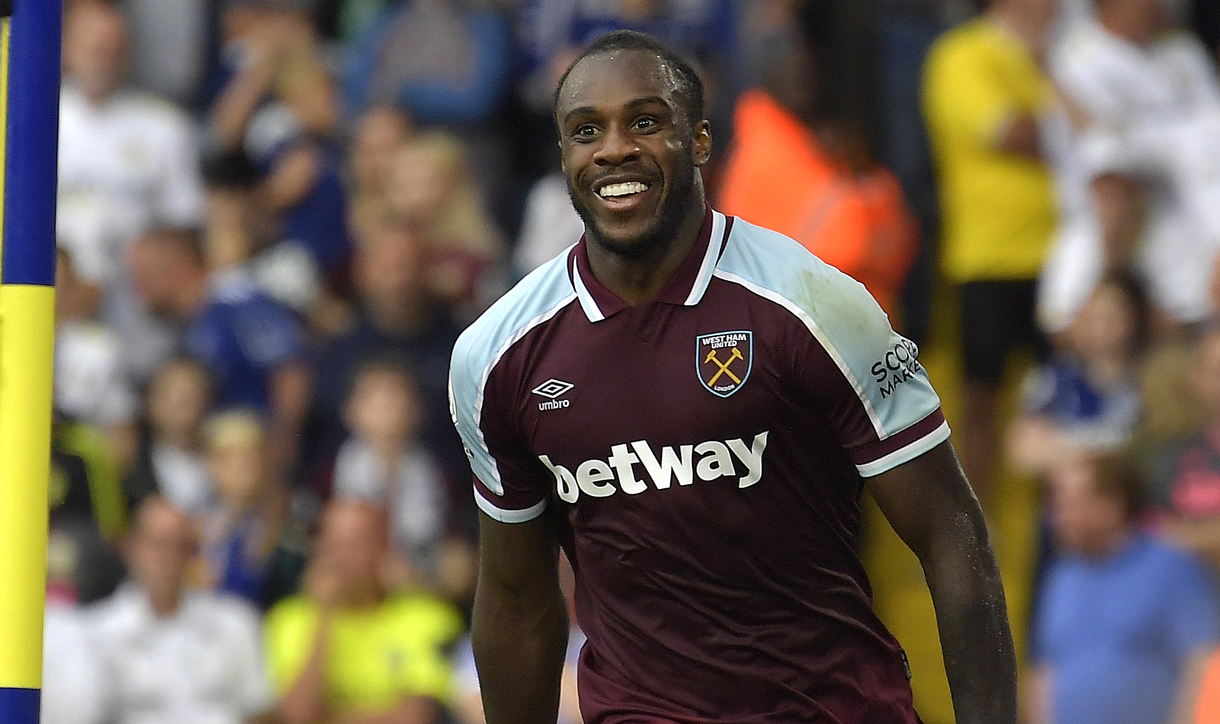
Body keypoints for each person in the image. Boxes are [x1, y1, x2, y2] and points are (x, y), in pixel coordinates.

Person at [448, 30, 1016, 724]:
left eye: (646, 122)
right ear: (564, 156)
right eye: (586, 130)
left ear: (700, 143)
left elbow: (952, 535)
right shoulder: (496, 354)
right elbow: (515, 604)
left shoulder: (815, 306)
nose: (614, 149)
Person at [922, 0, 1060, 494]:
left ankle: (1058, 533)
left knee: (1066, 397)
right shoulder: (962, 54)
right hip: (989, 255)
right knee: (980, 402)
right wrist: (1082, 119)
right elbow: (1009, 131)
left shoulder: (1056, 53)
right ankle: (974, 532)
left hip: (1064, 258)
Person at [1025, 453, 1219, 724]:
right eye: (1056, 506)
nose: (1058, 518)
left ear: (1111, 504)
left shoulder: (1172, 568)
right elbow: (1045, 670)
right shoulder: (1061, 578)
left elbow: (1203, 663)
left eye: (1070, 505)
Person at [264, 500, 464, 724]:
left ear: (384, 549)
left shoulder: (426, 617)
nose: (341, 558)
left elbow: (416, 717)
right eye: (332, 544)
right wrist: (323, 617)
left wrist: (327, 717)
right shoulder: (289, 620)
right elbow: (295, 717)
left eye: (354, 544)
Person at [87, 496, 274, 724]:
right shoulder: (94, 634)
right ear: (131, 546)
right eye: (160, 544)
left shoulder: (236, 623)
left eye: (182, 547)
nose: (170, 558)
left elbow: (258, 713)